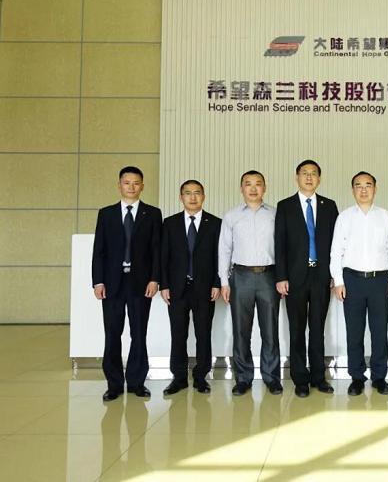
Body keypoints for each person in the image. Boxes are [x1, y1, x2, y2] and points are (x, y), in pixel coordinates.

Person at [92, 166, 162, 402]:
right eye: (126, 182)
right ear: (119, 185)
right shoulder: (106, 214)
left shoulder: (153, 214)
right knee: (112, 332)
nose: (131, 187)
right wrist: (98, 281)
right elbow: (99, 251)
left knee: (139, 332)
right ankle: (113, 384)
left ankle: (136, 382)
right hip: (112, 283)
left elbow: (156, 250)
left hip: (141, 282)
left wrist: (155, 278)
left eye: (136, 183)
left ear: (142, 186)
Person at [330, 172, 388, 396]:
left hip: (380, 280)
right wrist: (338, 281)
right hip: (352, 280)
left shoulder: (385, 216)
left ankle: (379, 377)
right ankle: (357, 377)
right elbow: (336, 252)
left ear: (375, 189)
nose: (363, 189)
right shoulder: (344, 217)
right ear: (353, 190)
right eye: (358, 186)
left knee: (380, 332)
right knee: (354, 332)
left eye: (368, 185)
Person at [275, 160, 339, 398]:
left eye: (313, 174)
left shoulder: (329, 206)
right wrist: (281, 276)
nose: (309, 177)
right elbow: (279, 244)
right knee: (297, 329)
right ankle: (300, 378)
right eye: (304, 173)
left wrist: (335, 274)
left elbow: (337, 243)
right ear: (297, 177)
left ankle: (319, 377)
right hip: (294, 278)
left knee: (318, 328)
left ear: (319, 179)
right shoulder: (285, 206)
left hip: (321, 276)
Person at [219, 171, 283, 396]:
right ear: (241, 188)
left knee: (270, 330)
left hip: (269, 276)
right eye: (248, 184)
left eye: (258, 184)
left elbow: (283, 248)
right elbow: (224, 250)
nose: (253, 188)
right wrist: (224, 282)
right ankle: (243, 379)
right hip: (241, 276)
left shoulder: (275, 214)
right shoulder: (231, 216)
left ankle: (272, 377)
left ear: (265, 188)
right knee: (241, 331)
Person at [160, 179, 221, 396]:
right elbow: (164, 256)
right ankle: (178, 377)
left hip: (205, 288)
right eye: (188, 193)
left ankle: (201, 377)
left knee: (203, 333)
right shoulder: (170, 223)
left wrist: (217, 282)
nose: (192, 197)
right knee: (178, 334)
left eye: (197, 193)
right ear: (181, 197)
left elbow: (219, 256)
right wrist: (164, 285)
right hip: (177, 288)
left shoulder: (215, 223)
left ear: (203, 196)